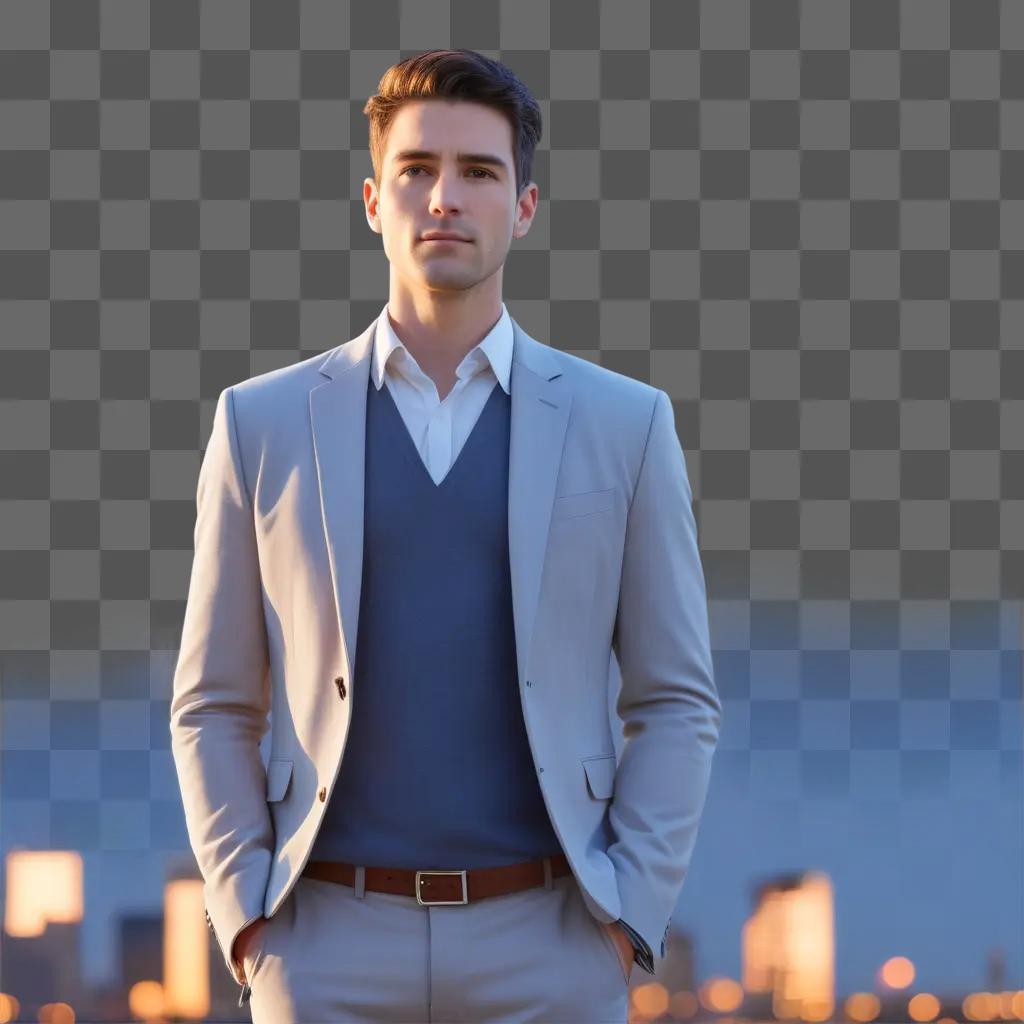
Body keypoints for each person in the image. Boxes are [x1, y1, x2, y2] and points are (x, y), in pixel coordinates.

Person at [169, 47, 721, 1023]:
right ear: (374, 200)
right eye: (418, 170)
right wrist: (246, 915)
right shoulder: (260, 422)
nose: (445, 198)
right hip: (325, 942)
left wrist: (632, 909)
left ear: (525, 207)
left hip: (551, 941)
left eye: (478, 171)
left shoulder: (624, 424)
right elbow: (214, 700)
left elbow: (675, 697)